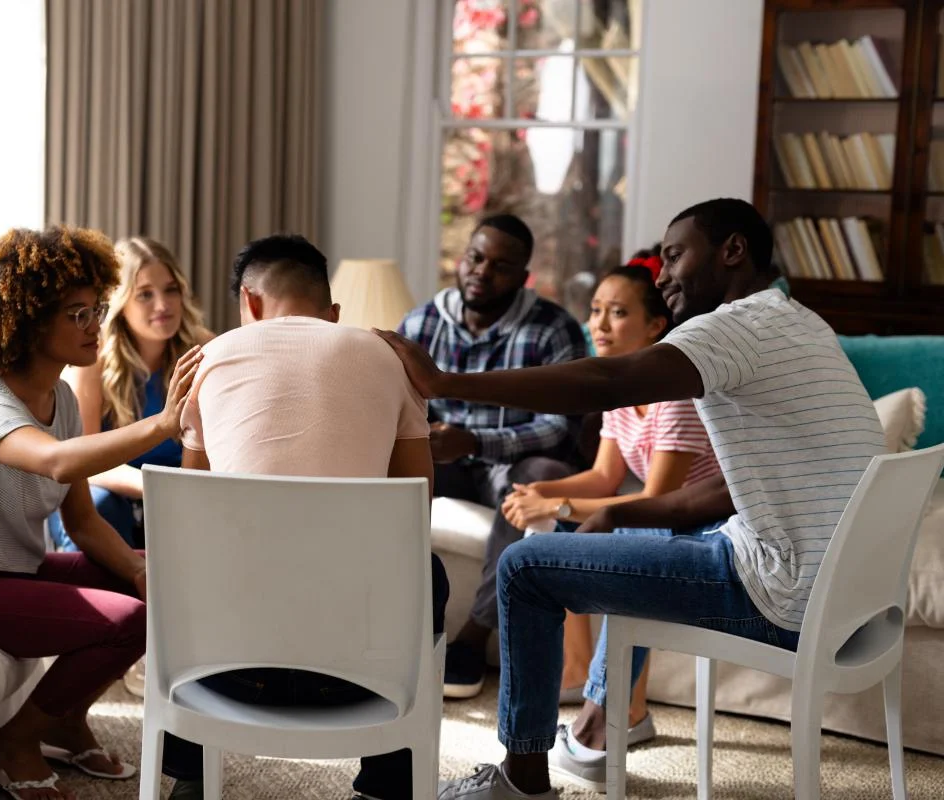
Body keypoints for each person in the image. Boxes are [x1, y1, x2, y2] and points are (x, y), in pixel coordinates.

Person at [375, 198, 887, 799]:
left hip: (786, 594)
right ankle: (607, 715)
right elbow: (725, 490)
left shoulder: (735, 326)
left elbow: (607, 380)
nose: (662, 274)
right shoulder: (800, 323)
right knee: (629, 544)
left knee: (524, 569)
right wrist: (619, 511)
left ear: (732, 251)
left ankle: (521, 784)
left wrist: (444, 382)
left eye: (674, 256)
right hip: (850, 600)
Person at [161, 233, 449, 800]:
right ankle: (385, 784)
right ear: (333, 313)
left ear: (250, 303)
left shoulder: (208, 361)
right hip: (357, 680)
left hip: (227, 673)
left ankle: (190, 772)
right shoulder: (390, 358)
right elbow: (418, 501)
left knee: (184, 561)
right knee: (425, 567)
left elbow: (188, 512)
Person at [0, 226, 202, 800]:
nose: (95, 324)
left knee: (165, 577)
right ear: (26, 321)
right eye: (76, 314)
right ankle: (17, 741)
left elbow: (82, 522)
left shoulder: (62, 398)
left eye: (95, 309)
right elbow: (52, 461)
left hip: (18, 570)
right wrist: (162, 424)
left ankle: (66, 722)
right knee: (126, 622)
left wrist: (138, 570)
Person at [499, 262, 722, 744]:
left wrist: (556, 507)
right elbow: (605, 477)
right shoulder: (622, 392)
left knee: (626, 535)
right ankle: (575, 673)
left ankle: (621, 710)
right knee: (547, 539)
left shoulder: (675, 397)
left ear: (655, 325)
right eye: (596, 310)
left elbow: (659, 502)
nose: (598, 324)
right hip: (658, 518)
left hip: (700, 527)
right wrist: (544, 495)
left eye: (617, 313)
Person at [397, 213, 587, 699]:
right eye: (476, 257)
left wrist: (475, 441)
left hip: (516, 460)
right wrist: (430, 439)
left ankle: (471, 639)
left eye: (500, 266)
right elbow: (397, 403)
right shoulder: (421, 322)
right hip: (446, 458)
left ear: (523, 278)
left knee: (541, 479)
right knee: (389, 469)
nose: (482, 271)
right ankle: (396, 627)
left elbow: (559, 423)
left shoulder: (552, 329)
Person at [49, 237, 213, 552]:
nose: (163, 305)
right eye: (145, 295)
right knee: (102, 505)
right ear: (121, 302)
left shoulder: (203, 348)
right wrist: (152, 488)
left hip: (180, 496)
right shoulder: (92, 362)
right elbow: (84, 460)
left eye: (171, 290)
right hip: (110, 491)